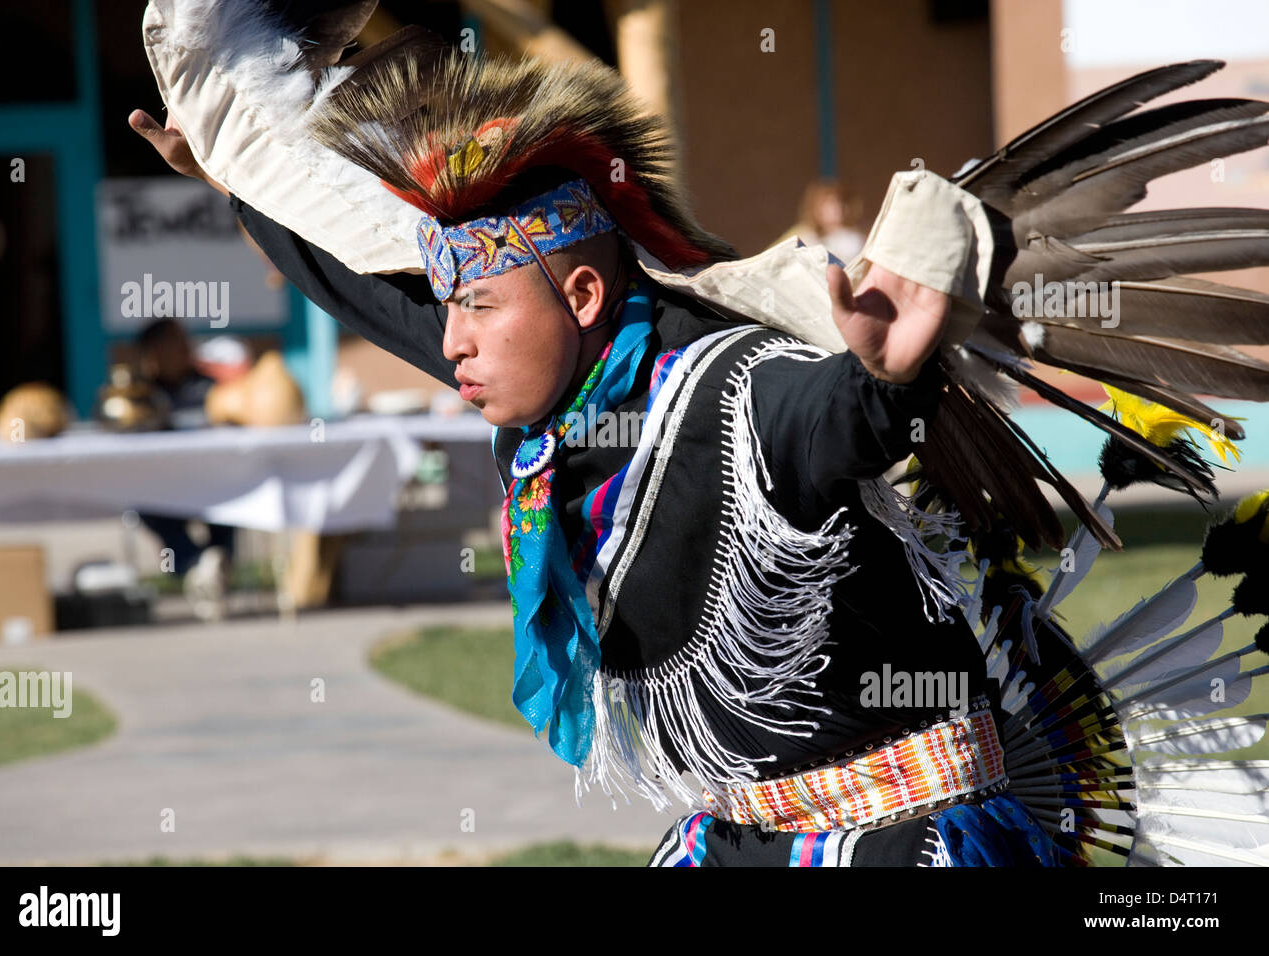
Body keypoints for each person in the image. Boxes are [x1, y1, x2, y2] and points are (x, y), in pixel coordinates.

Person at [133, 4, 1269, 867]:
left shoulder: (746, 391)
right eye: (450, 314)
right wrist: (247, 190)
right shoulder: (560, 397)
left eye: (476, 307)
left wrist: (890, 372)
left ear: (583, 298)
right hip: (739, 832)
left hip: (904, 833)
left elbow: (842, 418)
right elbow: (364, 293)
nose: (452, 343)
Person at [134, 317, 234, 621]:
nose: (185, 348)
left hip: (210, 479)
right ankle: (198, 565)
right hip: (163, 485)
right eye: (174, 342)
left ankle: (213, 568)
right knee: (144, 504)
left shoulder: (210, 388)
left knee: (232, 500)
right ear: (153, 352)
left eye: (184, 341)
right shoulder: (141, 396)